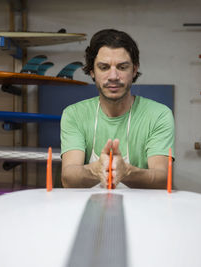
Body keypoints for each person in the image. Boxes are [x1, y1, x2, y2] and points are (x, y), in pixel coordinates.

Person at [60, 29, 175, 189]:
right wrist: (96, 169)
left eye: (122, 67)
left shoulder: (158, 115)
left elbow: (163, 178)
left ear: (134, 70)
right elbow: (68, 178)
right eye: (104, 67)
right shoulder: (74, 114)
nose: (113, 76)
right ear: (92, 71)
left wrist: (127, 171)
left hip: (144, 210)